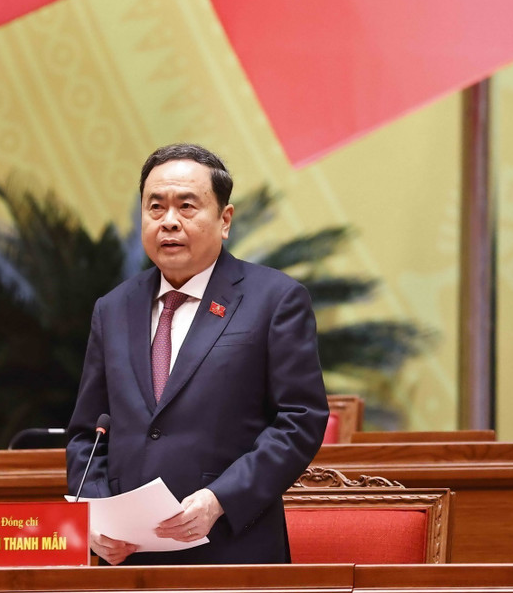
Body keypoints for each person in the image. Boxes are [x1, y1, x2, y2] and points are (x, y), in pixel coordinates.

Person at [66, 143, 328, 565]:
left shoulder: (274, 299)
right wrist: (93, 512)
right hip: (128, 560)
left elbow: (300, 420)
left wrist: (219, 499)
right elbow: (87, 433)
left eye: (187, 206)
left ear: (225, 220)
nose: (169, 221)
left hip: (232, 551)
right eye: (156, 207)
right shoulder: (113, 308)